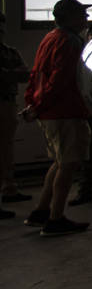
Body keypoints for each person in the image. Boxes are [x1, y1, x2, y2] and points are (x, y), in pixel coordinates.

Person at [21, 0, 92, 236]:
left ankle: (41, 211)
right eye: (82, 14)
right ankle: (55, 218)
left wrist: (33, 103)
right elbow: (59, 81)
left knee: (59, 162)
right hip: (65, 112)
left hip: (50, 112)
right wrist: (38, 105)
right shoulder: (70, 42)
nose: (86, 18)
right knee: (68, 164)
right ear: (70, 17)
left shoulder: (50, 37)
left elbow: (37, 74)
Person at [0, 11, 32, 219]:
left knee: (6, 148)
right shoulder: (9, 54)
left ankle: (9, 188)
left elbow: (25, 74)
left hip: (7, 103)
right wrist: (10, 73)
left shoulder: (9, 51)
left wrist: (6, 73)